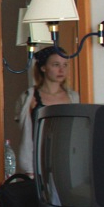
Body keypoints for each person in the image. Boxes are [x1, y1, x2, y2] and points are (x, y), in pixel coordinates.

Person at [15, 46, 79, 175]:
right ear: (43, 67)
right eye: (56, 65)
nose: (61, 70)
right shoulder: (29, 97)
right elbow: (26, 133)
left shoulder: (73, 97)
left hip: (67, 160)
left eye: (65, 65)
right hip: (38, 161)